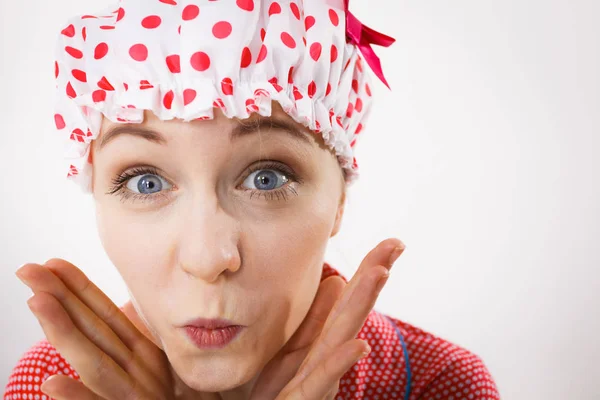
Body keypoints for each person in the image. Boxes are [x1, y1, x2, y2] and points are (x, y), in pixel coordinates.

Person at [3, 0, 500, 399]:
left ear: (339, 202)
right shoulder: (49, 385)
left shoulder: (441, 384)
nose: (207, 258)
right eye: (144, 181)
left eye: (266, 178)